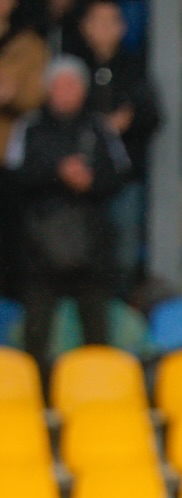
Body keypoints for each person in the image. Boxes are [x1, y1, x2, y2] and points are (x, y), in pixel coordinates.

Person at [7, 54, 125, 366]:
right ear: (48, 89)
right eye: (59, 85)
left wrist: (91, 181)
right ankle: (38, 396)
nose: (65, 91)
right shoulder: (30, 127)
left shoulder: (99, 128)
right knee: (36, 334)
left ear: (84, 90)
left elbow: (120, 175)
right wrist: (57, 172)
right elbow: (14, 177)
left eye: (72, 85)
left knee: (97, 336)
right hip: (40, 247)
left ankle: (98, 395)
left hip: (92, 246)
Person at [76, 0, 159, 293]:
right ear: (85, 27)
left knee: (123, 254)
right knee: (78, 254)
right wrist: (98, 125)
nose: (105, 28)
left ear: (123, 28)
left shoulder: (134, 69)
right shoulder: (75, 66)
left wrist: (128, 120)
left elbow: (153, 115)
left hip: (124, 178)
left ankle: (118, 316)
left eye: (112, 21)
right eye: (98, 21)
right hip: (81, 179)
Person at [0, 0, 48, 298]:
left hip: (8, 157)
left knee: (9, 241)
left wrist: (11, 95)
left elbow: (36, 95)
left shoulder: (29, 43)